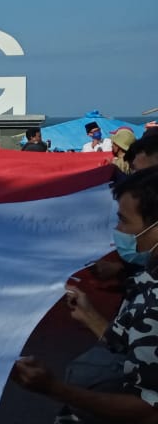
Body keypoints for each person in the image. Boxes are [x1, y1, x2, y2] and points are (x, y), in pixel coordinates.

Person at [12, 168, 158, 423]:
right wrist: (89, 316)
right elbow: (136, 346)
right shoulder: (149, 276)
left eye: (124, 220)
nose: (118, 229)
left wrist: (54, 388)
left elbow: (148, 411)